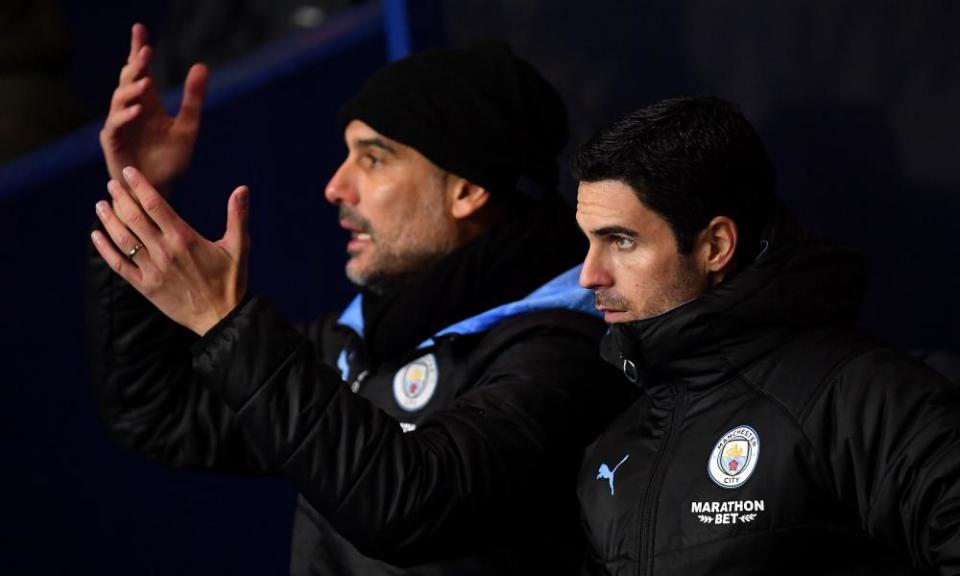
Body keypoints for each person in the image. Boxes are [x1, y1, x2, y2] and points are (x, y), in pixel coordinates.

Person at [86, 24, 630, 574]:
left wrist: (226, 322)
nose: (336, 186)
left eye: (373, 158)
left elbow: (409, 505)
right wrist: (139, 192)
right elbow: (157, 411)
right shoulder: (362, 336)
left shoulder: (568, 349)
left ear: (467, 188)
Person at [571, 95, 960, 574]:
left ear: (715, 246)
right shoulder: (612, 449)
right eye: (589, 241)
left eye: (621, 240)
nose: (589, 275)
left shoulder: (863, 400)